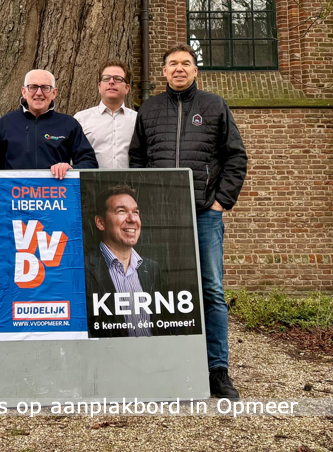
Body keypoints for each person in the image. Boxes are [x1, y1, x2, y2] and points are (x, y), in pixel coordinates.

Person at [129, 43, 247, 399]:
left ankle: (217, 370)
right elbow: (137, 159)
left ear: (195, 70)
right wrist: (145, 201)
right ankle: (162, 365)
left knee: (211, 290)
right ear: (164, 71)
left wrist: (221, 202)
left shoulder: (214, 106)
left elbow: (235, 157)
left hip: (204, 213)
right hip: (161, 217)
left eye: (186, 63)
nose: (179, 68)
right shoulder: (149, 110)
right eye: (173, 64)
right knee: (157, 287)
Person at [0, 69, 98, 178]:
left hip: (56, 189)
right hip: (14, 190)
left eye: (45, 88)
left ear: (54, 93)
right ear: (24, 92)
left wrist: (70, 168)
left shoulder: (68, 124)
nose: (39, 93)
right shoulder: (6, 123)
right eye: (33, 87)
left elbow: (89, 162)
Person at [84, 185, 162, 338]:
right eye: (121, 211)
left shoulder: (152, 269)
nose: (132, 219)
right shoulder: (83, 270)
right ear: (100, 222)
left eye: (136, 212)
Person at [74, 60, 138, 169]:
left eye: (118, 79)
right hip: (90, 180)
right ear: (99, 87)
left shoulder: (137, 119)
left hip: (129, 180)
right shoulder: (81, 119)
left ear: (127, 88)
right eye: (106, 78)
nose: (111, 82)